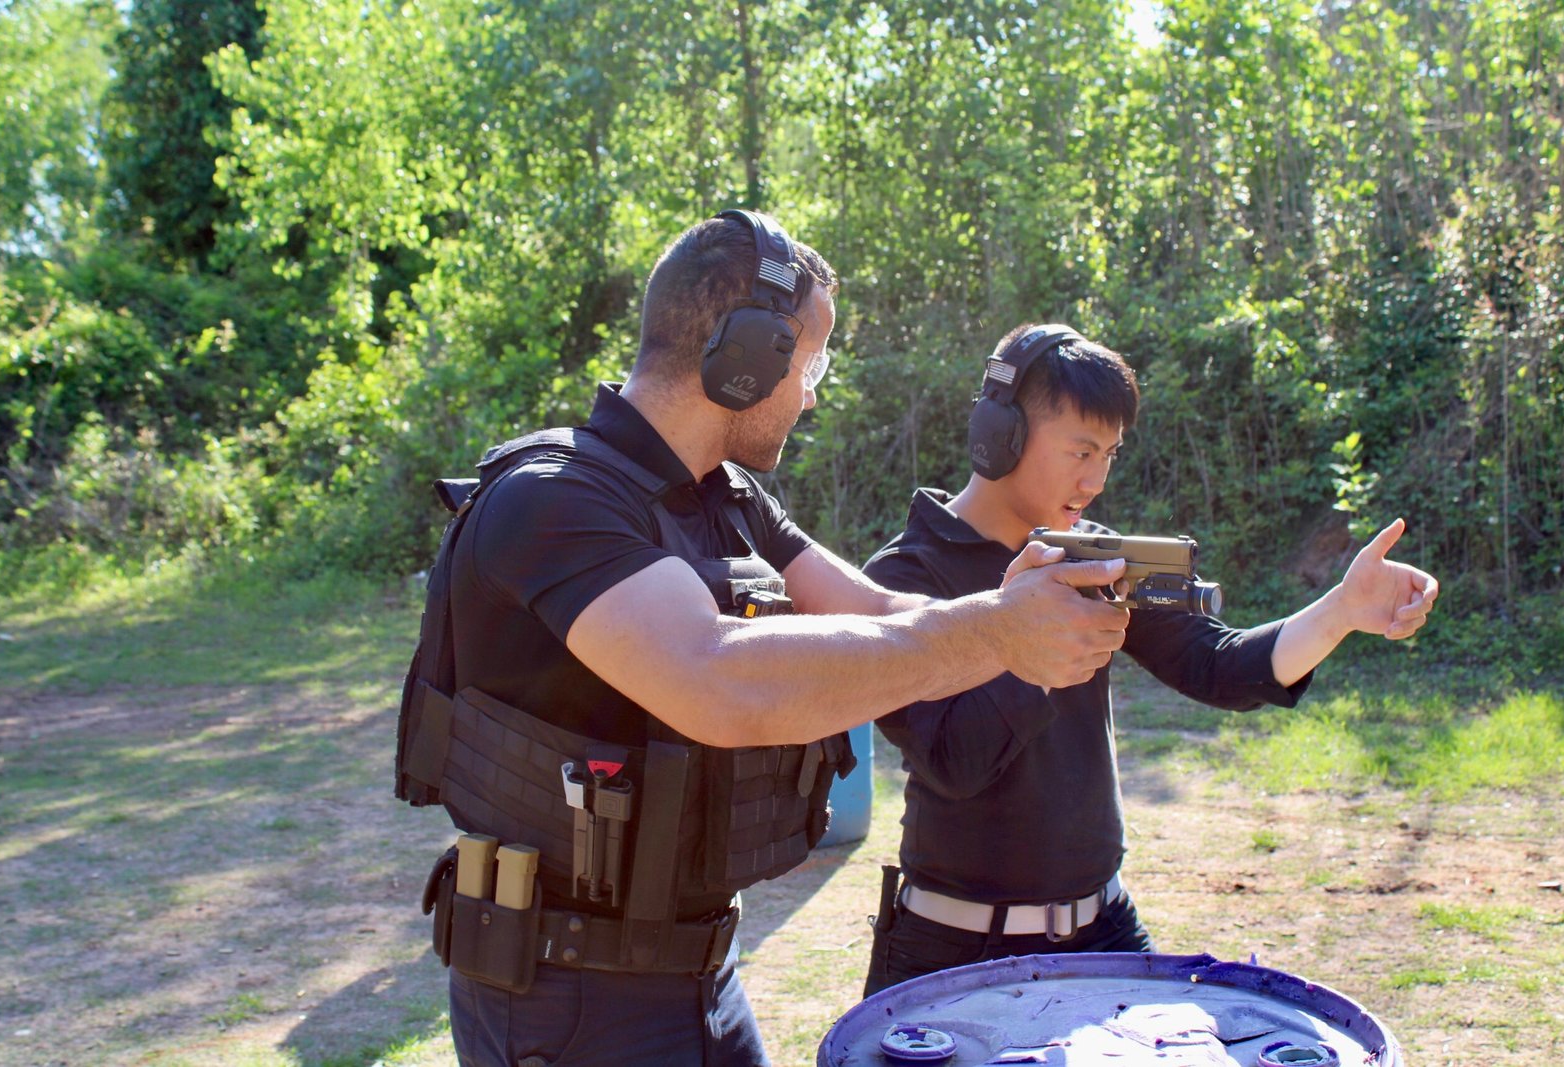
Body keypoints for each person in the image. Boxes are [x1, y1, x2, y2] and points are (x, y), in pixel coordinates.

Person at [393, 215, 1136, 1067]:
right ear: (744, 353)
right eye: (809, 362)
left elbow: (883, 610)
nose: (813, 392)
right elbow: (717, 677)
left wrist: (1025, 596)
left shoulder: (728, 497)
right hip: (565, 996)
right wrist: (997, 630)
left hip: (703, 972)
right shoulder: (555, 500)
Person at [861, 322, 1441, 996]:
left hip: (1103, 929)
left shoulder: (1096, 556)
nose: (1096, 478)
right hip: (955, 949)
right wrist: (1028, 638)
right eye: (1080, 449)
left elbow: (1220, 666)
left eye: (1109, 453)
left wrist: (1341, 610)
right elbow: (957, 759)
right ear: (1002, 434)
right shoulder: (902, 577)